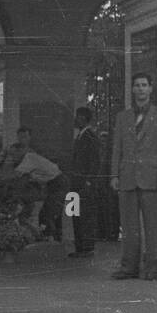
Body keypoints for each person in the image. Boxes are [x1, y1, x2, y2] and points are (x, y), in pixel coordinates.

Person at [109, 73, 157, 280]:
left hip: (152, 178)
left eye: (144, 85)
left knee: (152, 227)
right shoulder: (123, 117)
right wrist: (114, 174)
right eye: (137, 85)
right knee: (129, 227)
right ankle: (129, 267)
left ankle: (153, 268)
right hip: (127, 177)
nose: (140, 89)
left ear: (151, 89)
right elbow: (116, 148)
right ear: (133, 90)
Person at [69, 107, 101, 258]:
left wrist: (89, 181)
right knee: (75, 212)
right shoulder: (80, 137)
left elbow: (94, 161)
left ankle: (86, 247)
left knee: (84, 214)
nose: (75, 119)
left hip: (83, 183)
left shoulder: (89, 137)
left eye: (77, 116)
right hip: (76, 182)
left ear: (83, 118)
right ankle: (79, 246)